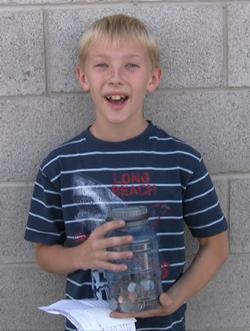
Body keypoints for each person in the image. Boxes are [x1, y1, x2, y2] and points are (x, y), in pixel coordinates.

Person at [25, 14, 229, 331]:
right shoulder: (59, 165)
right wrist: (81, 256)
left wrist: (175, 297)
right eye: (102, 65)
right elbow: (44, 255)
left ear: (153, 78)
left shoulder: (181, 161)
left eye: (131, 65)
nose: (116, 77)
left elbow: (217, 247)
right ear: (83, 77)